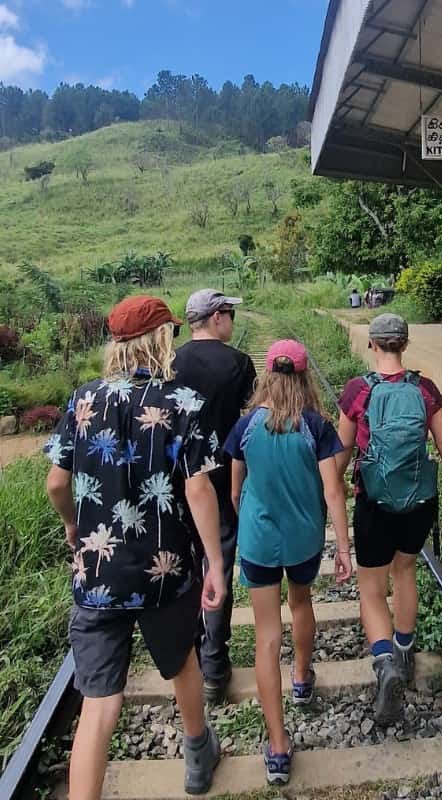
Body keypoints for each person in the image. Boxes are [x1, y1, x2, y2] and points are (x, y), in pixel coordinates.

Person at [44, 295, 225, 799]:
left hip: (97, 574)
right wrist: (214, 561)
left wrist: (72, 526)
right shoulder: (183, 402)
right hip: (164, 570)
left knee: (99, 703)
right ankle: (197, 755)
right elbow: (197, 488)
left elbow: (57, 483)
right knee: (182, 660)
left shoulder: (82, 401)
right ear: (161, 340)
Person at [224, 339, 352, 786]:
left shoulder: (246, 426)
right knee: (300, 604)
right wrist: (343, 546)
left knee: (265, 635)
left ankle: (277, 745)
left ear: (268, 376)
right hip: (302, 539)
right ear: (303, 377)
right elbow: (333, 489)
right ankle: (300, 677)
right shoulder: (315, 426)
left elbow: (236, 489)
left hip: (259, 541)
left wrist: (250, 516)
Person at [336, 313, 442, 725]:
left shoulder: (358, 391)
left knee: (372, 590)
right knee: (406, 571)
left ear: (373, 345)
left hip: (374, 503)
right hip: (419, 501)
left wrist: (329, 487)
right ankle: (406, 651)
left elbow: (342, 450)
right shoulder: (425, 390)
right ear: (404, 345)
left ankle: (385, 663)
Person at [173, 289, 257, 704]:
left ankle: (187, 653)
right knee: (217, 565)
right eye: (231, 314)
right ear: (217, 317)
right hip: (222, 480)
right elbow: (249, 420)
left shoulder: (170, 363)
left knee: (184, 564)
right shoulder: (239, 363)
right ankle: (213, 664)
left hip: (174, 483)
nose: (233, 321)